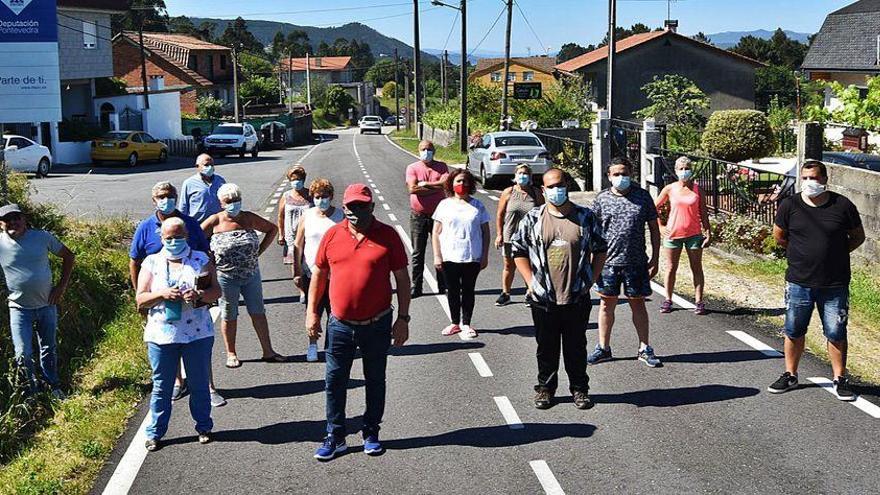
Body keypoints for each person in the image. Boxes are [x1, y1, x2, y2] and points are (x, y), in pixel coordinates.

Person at [307, 183, 410, 461]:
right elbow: (319, 275)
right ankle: (335, 435)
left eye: (361, 206)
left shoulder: (387, 236)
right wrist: (312, 313)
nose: (355, 212)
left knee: (375, 379)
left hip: (377, 323)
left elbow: (402, 279)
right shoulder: (332, 234)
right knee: (334, 381)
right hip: (340, 324)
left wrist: (403, 318)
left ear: (372, 207)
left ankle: (371, 431)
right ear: (344, 207)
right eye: (351, 206)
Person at [511, 169, 607, 410]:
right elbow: (518, 251)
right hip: (543, 296)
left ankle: (579, 389)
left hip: (576, 295)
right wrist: (531, 282)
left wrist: (591, 280)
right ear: (543, 190)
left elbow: (600, 249)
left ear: (567, 185)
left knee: (576, 346)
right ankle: (545, 388)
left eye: (560, 185)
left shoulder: (585, 216)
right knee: (546, 346)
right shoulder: (533, 218)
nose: (556, 190)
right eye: (550, 186)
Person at [768, 160, 864, 400]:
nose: (809, 182)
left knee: (836, 331)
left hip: (834, 283)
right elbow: (779, 236)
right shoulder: (790, 205)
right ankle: (790, 374)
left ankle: (840, 378)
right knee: (794, 329)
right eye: (805, 178)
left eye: (814, 178)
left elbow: (858, 236)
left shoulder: (842, 205)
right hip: (799, 281)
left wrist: (835, 254)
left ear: (825, 180)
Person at [129, 182, 225, 407]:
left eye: (170, 195)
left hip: (194, 300)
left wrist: (203, 291)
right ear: (154, 200)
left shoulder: (189, 224)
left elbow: (205, 255)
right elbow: (134, 261)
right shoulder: (145, 227)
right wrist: (141, 295)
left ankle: (208, 387)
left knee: (198, 343)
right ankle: (178, 382)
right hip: (161, 301)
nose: (166, 199)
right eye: (161, 196)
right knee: (167, 343)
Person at [136, 217, 221, 451]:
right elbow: (141, 298)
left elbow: (216, 290)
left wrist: (199, 297)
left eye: (178, 236)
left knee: (199, 383)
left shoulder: (200, 259)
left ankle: (204, 426)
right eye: (169, 237)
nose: (173, 241)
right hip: (162, 335)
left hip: (197, 333)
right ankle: (155, 433)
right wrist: (162, 294)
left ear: (186, 236)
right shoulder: (151, 262)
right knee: (162, 386)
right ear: (162, 238)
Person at [589, 157, 662, 367]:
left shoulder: (643, 197)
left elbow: (654, 229)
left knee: (638, 304)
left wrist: (655, 258)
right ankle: (603, 347)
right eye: (616, 174)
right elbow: (592, 232)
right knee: (606, 305)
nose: (621, 178)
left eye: (625, 173)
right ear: (609, 177)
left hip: (636, 262)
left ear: (631, 173)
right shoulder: (601, 199)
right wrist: (591, 262)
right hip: (608, 263)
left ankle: (644, 347)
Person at [202, 183, 282, 368]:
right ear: (221, 203)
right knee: (229, 315)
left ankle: (268, 351)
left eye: (236, 200)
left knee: (258, 312)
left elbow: (272, 229)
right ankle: (231, 353)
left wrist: (258, 252)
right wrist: (208, 259)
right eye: (229, 201)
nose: (233, 204)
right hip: (225, 276)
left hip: (251, 274)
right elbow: (195, 238)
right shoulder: (215, 221)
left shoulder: (248, 218)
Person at [0, 204, 75, 398]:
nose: (13, 223)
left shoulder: (41, 237)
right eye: (8, 220)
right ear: (1, 224)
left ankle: (53, 385)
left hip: (46, 305)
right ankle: (32, 392)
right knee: (22, 353)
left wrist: (61, 287)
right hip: (18, 308)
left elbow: (68, 256)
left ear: (24, 220)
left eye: (16, 218)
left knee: (49, 348)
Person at [432, 169, 491, 339]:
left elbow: (485, 232)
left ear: (470, 184)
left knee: (468, 290)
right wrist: (437, 255)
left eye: (465, 181)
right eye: (458, 181)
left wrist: (484, 256)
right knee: (452, 290)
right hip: (449, 256)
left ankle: (466, 323)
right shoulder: (444, 205)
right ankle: (454, 322)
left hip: (472, 256)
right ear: (451, 184)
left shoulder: (478, 206)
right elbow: (436, 232)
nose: (461, 184)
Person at [293, 178, 344, 362]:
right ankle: (312, 344)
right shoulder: (307, 216)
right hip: (311, 273)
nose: (320, 200)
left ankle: (331, 346)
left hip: (336, 274)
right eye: (317, 197)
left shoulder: (341, 216)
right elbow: (298, 245)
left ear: (331, 197)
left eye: (324, 197)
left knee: (335, 312)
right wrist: (296, 271)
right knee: (313, 309)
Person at [654, 156, 712, 315]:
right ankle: (668, 299)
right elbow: (654, 208)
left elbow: (704, 213)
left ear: (691, 170)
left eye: (687, 168)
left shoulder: (697, 189)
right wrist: (660, 226)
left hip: (694, 234)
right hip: (673, 234)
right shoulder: (670, 189)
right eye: (681, 168)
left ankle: (699, 301)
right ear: (675, 171)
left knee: (696, 267)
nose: (684, 171)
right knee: (671, 267)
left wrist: (708, 232)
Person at [494, 163, 543, 306]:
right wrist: (499, 234)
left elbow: (542, 213)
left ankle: (530, 292)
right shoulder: (508, 192)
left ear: (530, 177)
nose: (523, 176)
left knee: (529, 266)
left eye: (526, 173)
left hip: (530, 237)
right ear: (515, 176)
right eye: (520, 173)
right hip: (510, 236)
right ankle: (505, 293)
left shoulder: (535, 193)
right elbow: (500, 214)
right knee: (509, 265)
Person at [406, 140, 449, 298]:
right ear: (419, 151)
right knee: (418, 252)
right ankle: (416, 287)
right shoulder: (412, 168)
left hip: (439, 216)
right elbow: (413, 189)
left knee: (441, 251)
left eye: (429, 149)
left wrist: (425, 185)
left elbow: (446, 184)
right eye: (423, 149)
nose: (426, 152)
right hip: (418, 216)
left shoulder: (442, 166)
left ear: (434, 151)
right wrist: (435, 187)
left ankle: (443, 286)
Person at [277, 166, 313, 304]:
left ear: (303, 180)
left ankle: (311, 288)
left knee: (309, 263)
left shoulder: (310, 195)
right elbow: (280, 216)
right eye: (293, 180)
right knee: (295, 267)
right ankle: (302, 291)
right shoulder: (286, 196)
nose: (296, 182)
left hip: (308, 236)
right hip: (291, 238)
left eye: (298, 179)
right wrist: (281, 234)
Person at [180, 154, 226, 223]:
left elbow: (226, 201)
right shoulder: (189, 183)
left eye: (212, 165)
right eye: (206, 165)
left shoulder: (220, 181)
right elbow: (183, 206)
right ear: (197, 166)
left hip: (217, 223)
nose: (210, 167)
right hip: (197, 224)